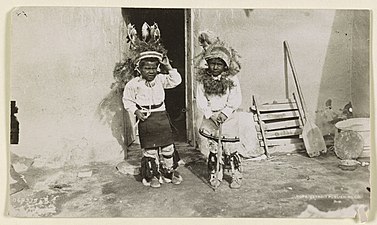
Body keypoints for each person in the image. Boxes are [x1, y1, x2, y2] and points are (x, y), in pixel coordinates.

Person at [122, 22, 183, 188]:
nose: (150, 71)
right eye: (146, 68)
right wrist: (136, 111)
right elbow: (127, 100)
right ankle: (152, 174)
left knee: (167, 148)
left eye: (153, 68)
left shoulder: (161, 79)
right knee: (150, 150)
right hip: (146, 118)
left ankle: (168, 171)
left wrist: (168, 66)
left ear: (158, 68)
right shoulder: (134, 84)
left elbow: (177, 80)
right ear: (139, 69)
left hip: (161, 116)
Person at [196, 32, 243, 189]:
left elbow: (236, 99)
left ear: (226, 65)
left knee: (229, 148)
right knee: (214, 148)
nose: (215, 67)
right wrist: (210, 114)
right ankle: (216, 174)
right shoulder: (203, 80)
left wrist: (225, 113)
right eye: (212, 63)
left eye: (219, 64)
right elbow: (201, 98)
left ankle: (236, 175)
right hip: (211, 117)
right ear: (207, 64)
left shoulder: (231, 80)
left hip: (227, 117)